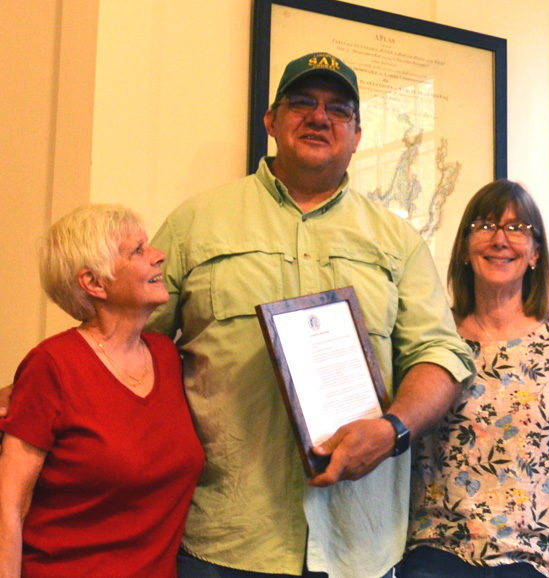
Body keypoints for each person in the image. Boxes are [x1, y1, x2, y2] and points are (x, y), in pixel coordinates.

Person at [144, 52, 475, 577]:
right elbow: (130, 341)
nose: (319, 117)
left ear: (357, 134)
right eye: (301, 102)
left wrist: (392, 430)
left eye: (338, 109)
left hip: (358, 545)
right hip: (226, 540)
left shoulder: (397, 240)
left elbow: (441, 354)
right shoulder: (195, 224)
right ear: (271, 121)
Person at [403, 180, 549, 578]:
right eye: (485, 226)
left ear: (535, 254)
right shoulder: (434, 340)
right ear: (464, 249)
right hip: (435, 556)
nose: (500, 239)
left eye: (517, 228)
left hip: (532, 562)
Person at [0, 204, 204, 577]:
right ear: (94, 283)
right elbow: (9, 505)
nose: (159, 255)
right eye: (138, 250)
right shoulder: (52, 366)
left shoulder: (166, 356)